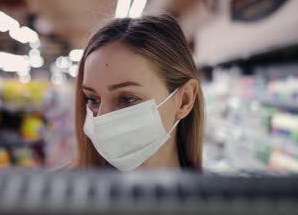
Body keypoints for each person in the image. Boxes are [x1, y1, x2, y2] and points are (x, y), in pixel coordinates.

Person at [74, 14, 204, 171]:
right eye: (93, 99)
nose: (102, 118)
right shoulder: (64, 192)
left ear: (184, 100)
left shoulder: (224, 195)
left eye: (127, 99)